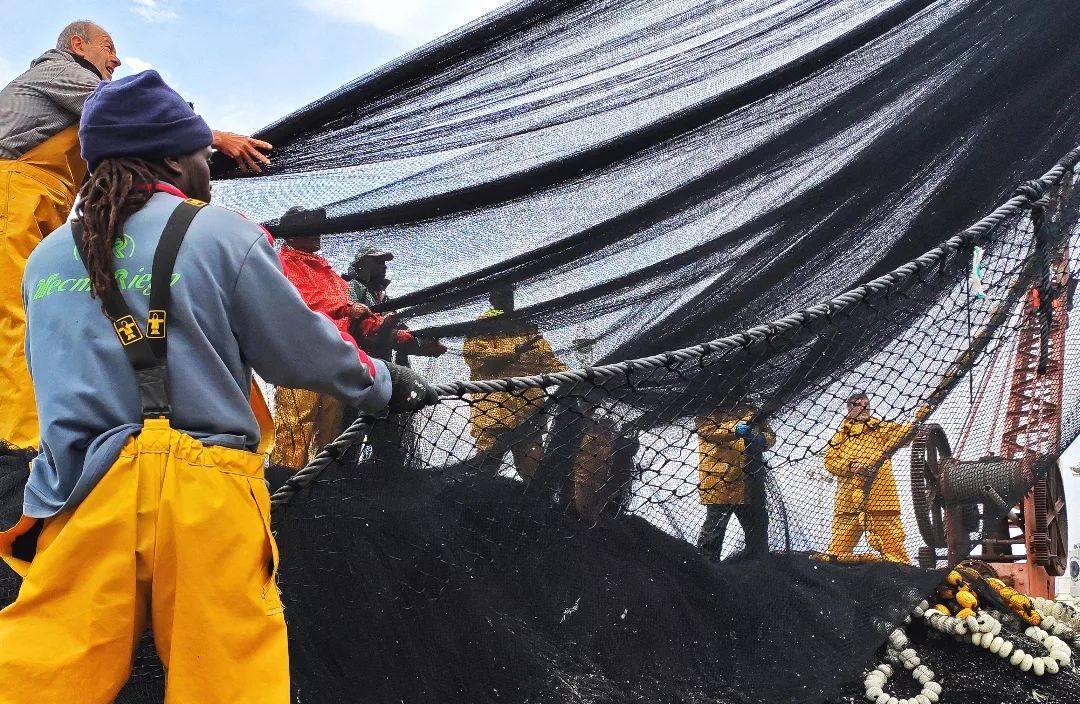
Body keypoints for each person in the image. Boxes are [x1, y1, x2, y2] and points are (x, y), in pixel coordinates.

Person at [0, 71, 435, 702]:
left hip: (82, 493)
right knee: (227, 683)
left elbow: (46, 380)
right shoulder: (222, 234)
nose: (209, 162)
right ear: (175, 157)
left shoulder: (44, 260)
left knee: (37, 681)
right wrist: (384, 384)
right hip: (204, 495)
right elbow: (303, 354)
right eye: (202, 149)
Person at [0, 20, 273, 452]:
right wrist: (214, 138)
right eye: (108, 48)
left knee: (39, 311)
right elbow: (128, 110)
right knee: (14, 316)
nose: (116, 59)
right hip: (10, 194)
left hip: (38, 203)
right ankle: (21, 447)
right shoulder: (58, 69)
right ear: (77, 45)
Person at [269, 207, 373, 470]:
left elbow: (351, 306)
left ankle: (320, 494)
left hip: (332, 362)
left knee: (330, 434)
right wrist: (346, 309)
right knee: (295, 430)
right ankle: (285, 492)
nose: (318, 232)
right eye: (309, 226)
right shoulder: (280, 263)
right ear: (291, 234)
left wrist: (403, 336)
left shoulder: (328, 270)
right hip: (298, 361)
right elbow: (302, 300)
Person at [462, 287, 567, 481]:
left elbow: (549, 362)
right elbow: (475, 357)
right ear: (491, 298)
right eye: (500, 294)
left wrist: (577, 376)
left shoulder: (527, 328)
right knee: (483, 474)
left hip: (529, 413)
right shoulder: (480, 327)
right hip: (493, 413)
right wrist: (515, 350)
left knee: (534, 475)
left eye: (508, 294)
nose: (505, 299)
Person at [823, 392, 911, 563]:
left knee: (894, 550)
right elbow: (829, 462)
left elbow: (905, 437)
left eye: (866, 404)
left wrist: (915, 423)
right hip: (849, 501)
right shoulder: (841, 436)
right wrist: (850, 466)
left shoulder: (881, 428)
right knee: (838, 550)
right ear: (849, 409)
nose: (864, 407)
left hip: (882, 499)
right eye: (858, 404)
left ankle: (900, 579)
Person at [696, 405, 775, 560]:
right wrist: (733, 429)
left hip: (751, 480)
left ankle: (758, 567)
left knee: (757, 529)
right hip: (719, 481)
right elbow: (706, 430)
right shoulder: (706, 406)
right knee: (714, 532)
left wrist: (763, 439)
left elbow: (770, 435)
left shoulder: (752, 408)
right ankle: (706, 570)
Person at [344, 244, 445, 362]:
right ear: (362, 264)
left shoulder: (386, 300)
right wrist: (393, 334)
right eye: (378, 262)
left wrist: (425, 345)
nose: (384, 267)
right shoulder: (350, 287)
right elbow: (357, 326)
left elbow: (402, 332)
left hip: (381, 366)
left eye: (384, 263)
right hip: (357, 364)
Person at [570, 410, 638, 522]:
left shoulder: (614, 447)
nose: (605, 431)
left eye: (609, 429)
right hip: (587, 480)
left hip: (599, 484)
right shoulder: (590, 438)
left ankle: (592, 511)